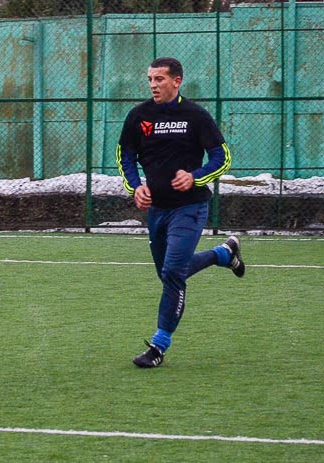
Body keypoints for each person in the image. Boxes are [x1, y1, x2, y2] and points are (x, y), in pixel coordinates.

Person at [116, 57, 245, 368]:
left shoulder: (196, 115)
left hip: (190, 206)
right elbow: (125, 155)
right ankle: (223, 255)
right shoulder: (139, 115)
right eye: (150, 79)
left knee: (174, 273)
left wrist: (195, 176)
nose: (153, 85)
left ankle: (159, 346)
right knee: (170, 271)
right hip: (157, 209)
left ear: (177, 81)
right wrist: (135, 187)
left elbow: (221, 157)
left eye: (160, 79)